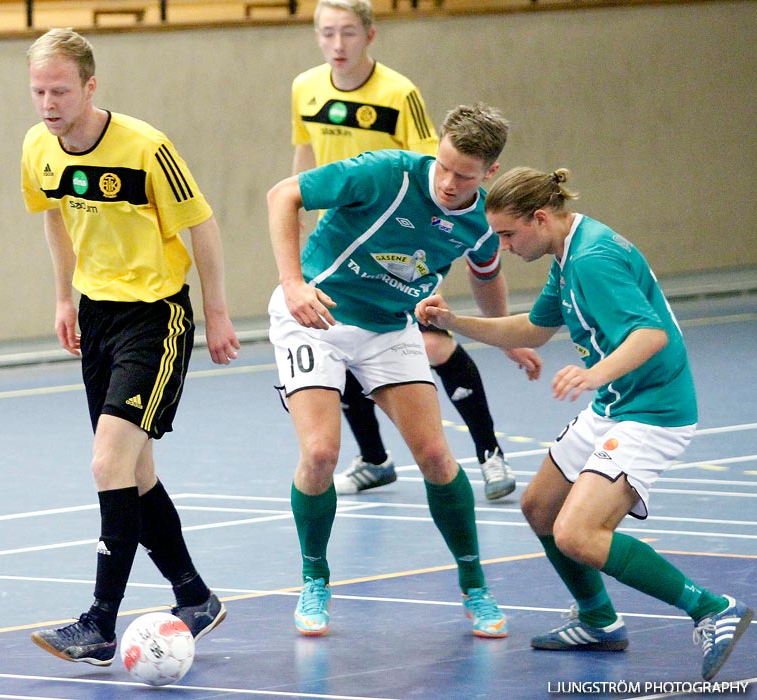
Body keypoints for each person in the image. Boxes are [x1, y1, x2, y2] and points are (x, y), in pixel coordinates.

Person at [415, 167, 753, 680]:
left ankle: (711, 608)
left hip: (653, 410)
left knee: (577, 533)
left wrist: (592, 373)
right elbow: (533, 328)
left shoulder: (593, 259)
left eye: (508, 234)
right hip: (617, 403)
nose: (502, 246)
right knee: (540, 506)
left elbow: (650, 336)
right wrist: (453, 322)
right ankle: (598, 619)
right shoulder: (568, 253)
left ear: (541, 217)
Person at [267, 102, 541, 637]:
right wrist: (293, 283)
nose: (447, 181)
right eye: (443, 165)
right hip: (315, 316)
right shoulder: (385, 173)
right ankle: (315, 578)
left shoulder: (484, 221)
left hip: (390, 328)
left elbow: (486, 276)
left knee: (437, 456)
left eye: (464, 175)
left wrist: (504, 336)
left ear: (488, 175)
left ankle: (475, 586)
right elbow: (285, 194)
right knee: (321, 453)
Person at [21, 28, 240, 666]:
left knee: (107, 465)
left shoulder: (146, 147)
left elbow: (201, 223)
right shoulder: (39, 147)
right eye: (38, 90)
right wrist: (64, 299)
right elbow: (54, 216)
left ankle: (98, 623)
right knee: (135, 474)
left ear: (91, 87)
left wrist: (219, 313)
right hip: (98, 316)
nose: (48, 102)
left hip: (156, 318)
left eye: (60, 89)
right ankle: (195, 598)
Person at [291, 0, 522, 500]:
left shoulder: (399, 94)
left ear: (369, 35)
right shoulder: (304, 88)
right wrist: (304, 207)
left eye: (347, 33)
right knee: (338, 334)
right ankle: (374, 457)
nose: (337, 44)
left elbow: (431, 162)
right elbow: (304, 154)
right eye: (327, 33)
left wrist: (434, 215)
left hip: (407, 233)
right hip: (347, 232)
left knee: (435, 342)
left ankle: (488, 452)